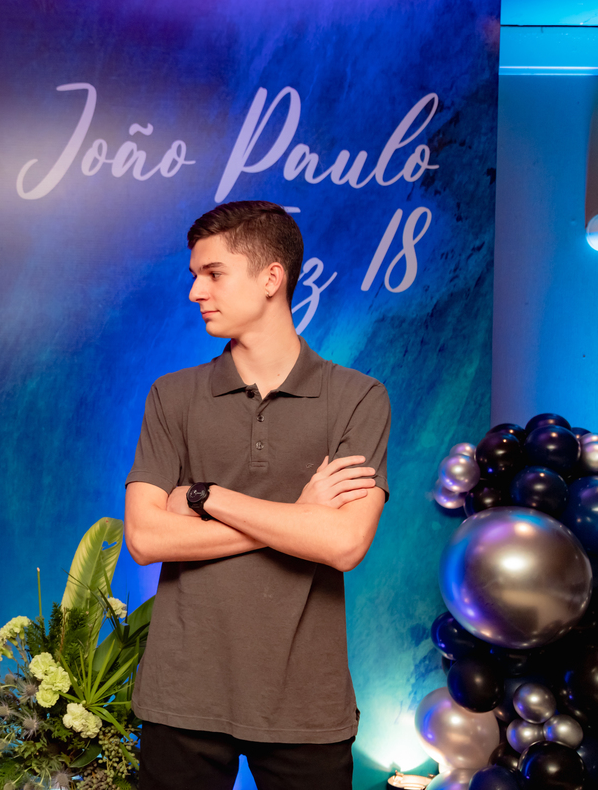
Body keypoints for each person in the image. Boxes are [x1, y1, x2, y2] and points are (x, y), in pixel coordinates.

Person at [124, 200, 391, 790]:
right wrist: (299, 519)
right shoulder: (172, 395)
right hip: (183, 692)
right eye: (195, 275)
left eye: (213, 273)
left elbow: (343, 544)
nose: (196, 291)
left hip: (306, 700)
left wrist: (203, 496)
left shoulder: (358, 398)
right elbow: (144, 539)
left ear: (272, 277)